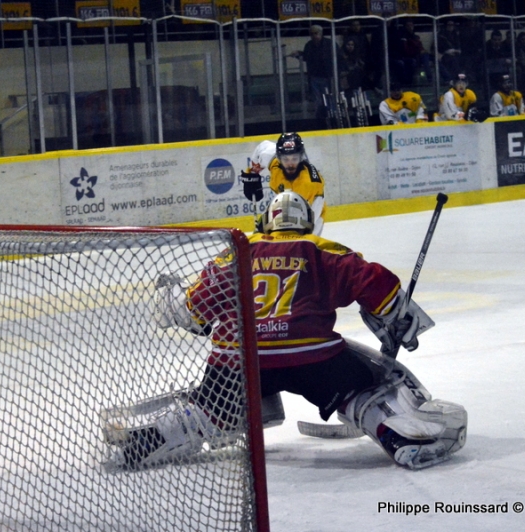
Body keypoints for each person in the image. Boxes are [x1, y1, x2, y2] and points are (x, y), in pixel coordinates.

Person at [113, 191, 468, 471]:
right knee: (365, 389)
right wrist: (397, 317)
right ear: (307, 222)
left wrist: (172, 296)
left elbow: (191, 313)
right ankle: (396, 437)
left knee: (206, 410)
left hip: (238, 363)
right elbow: (376, 284)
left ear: (266, 221)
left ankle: (143, 443)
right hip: (311, 359)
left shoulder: (236, 252)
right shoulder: (321, 249)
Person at [290, 25, 337, 124]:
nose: (314, 36)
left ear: (321, 33)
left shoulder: (329, 44)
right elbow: (306, 56)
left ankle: (332, 118)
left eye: (316, 33)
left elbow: (338, 58)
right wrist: (299, 54)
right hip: (315, 77)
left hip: (327, 76)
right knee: (318, 101)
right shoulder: (309, 45)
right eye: (312, 34)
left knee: (329, 99)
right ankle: (320, 120)